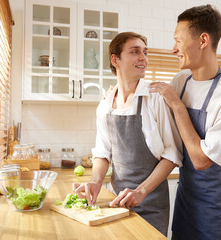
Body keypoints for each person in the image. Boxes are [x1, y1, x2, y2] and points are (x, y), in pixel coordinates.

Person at [150, 5, 221, 240]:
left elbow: (201, 160)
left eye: (178, 40)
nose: (173, 48)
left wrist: (178, 106)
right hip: (186, 195)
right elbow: (153, 115)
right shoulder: (180, 80)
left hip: (215, 200)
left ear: (203, 40)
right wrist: (116, 96)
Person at [73, 32, 183, 236]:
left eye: (145, 52)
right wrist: (96, 181)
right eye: (135, 52)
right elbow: (102, 152)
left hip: (152, 205)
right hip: (118, 203)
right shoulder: (105, 105)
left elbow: (173, 153)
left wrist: (142, 191)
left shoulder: (155, 99)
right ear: (116, 60)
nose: (143, 58)